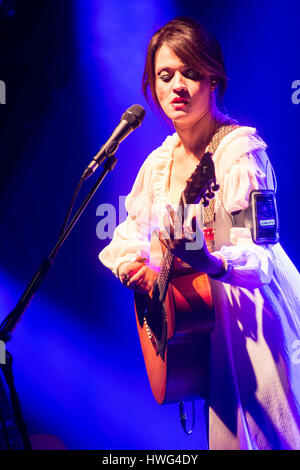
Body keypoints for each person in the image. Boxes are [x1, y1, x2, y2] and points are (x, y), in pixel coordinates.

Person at [99, 17, 300, 450]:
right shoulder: (160, 163)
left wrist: (211, 262)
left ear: (213, 79)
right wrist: (135, 268)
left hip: (256, 323)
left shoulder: (240, 152)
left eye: (190, 73)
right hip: (201, 321)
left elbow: (261, 258)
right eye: (165, 75)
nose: (177, 86)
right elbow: (124, 238)